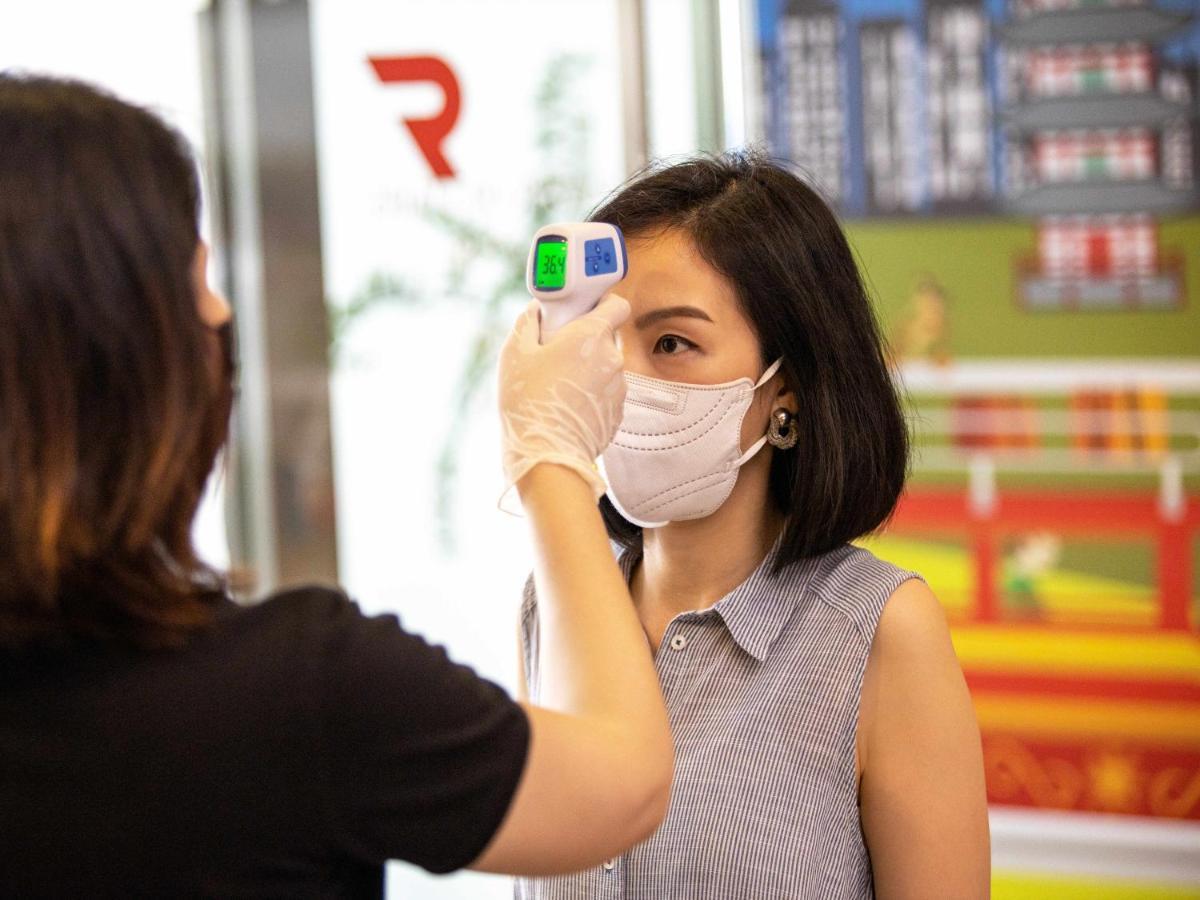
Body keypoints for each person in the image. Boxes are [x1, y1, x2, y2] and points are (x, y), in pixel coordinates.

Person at [0, 74, 672, 897]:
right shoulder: (297, 696)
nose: (221, 317)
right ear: (128, 356)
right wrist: (554, 457)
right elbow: (621, 782)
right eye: (199, 281)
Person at [516, 154, 991, 899]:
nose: (624, 381)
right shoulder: (555, 603)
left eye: (672, 344)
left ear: (787, 390)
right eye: (605, 344)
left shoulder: (880, 632)